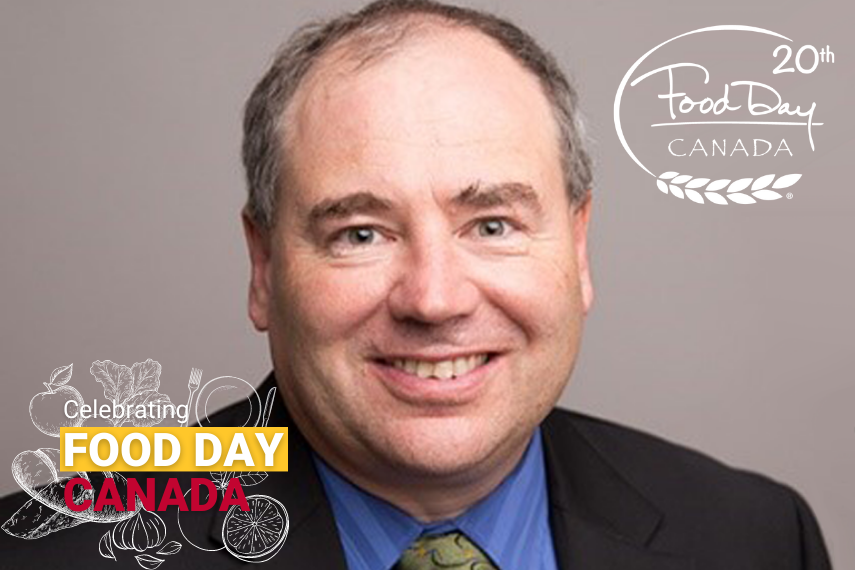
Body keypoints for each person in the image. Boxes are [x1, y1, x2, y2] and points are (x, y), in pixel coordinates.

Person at [0, 1, 832, 568]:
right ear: (262, 267)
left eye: (492, 225)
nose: (433, 299)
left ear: (577, 249)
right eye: (360, 233)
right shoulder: (52, 543)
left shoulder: (752, 534)